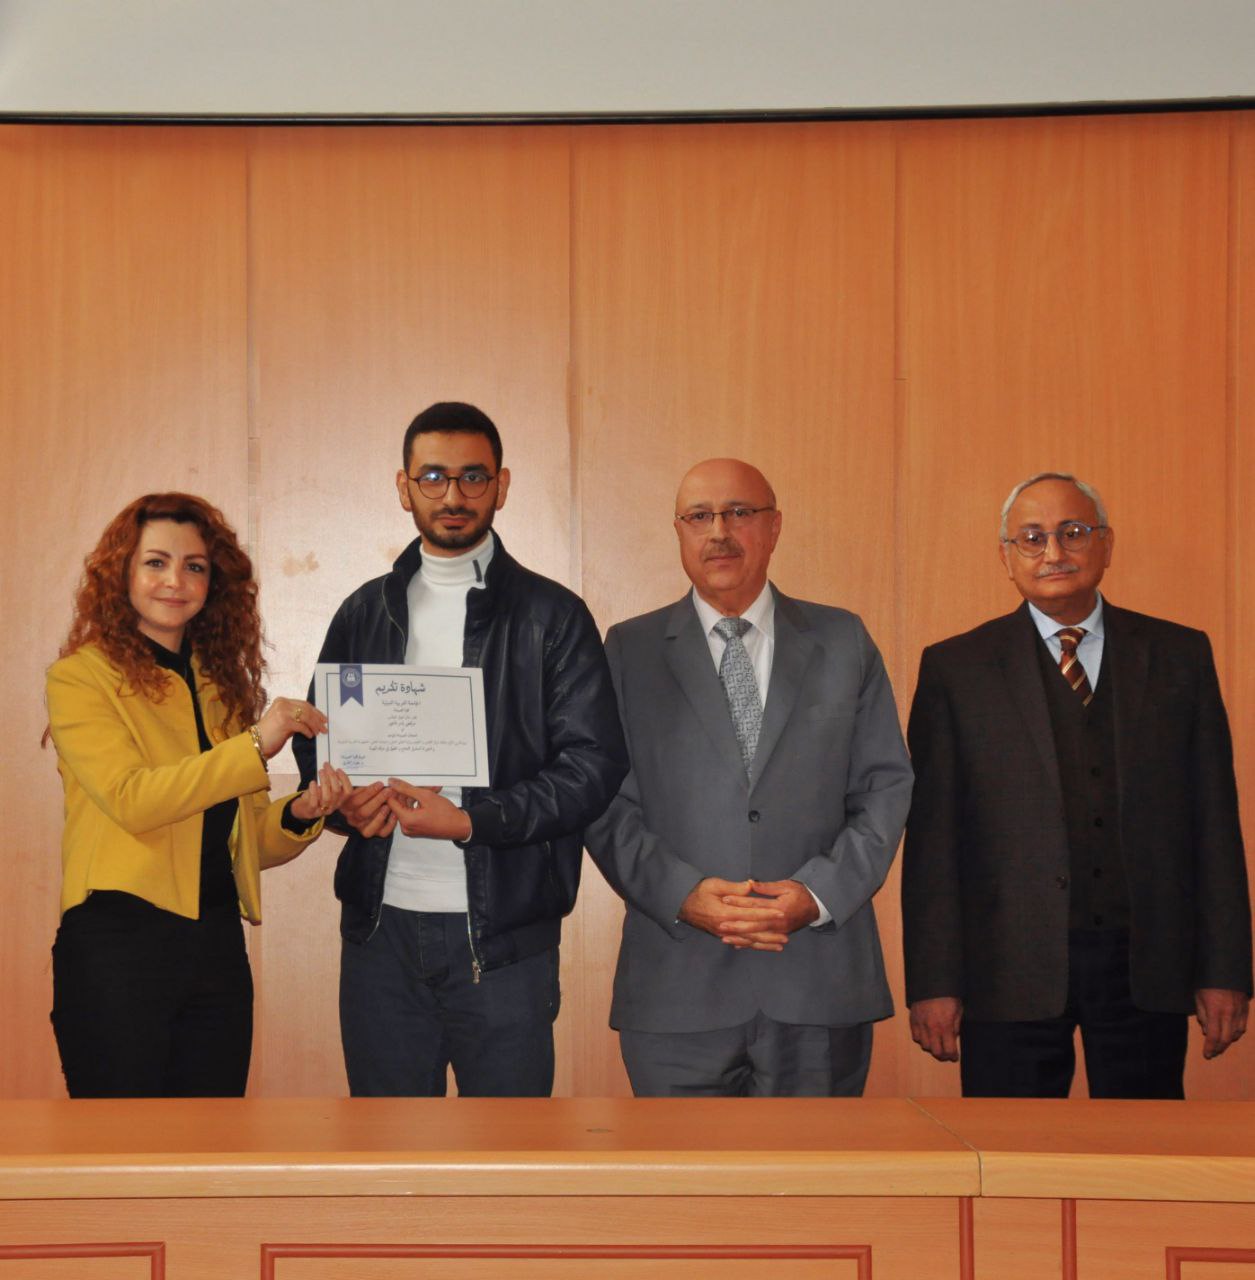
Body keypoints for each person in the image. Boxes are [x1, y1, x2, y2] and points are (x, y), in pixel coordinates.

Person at [295, 401, 626, 1098]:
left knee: (509, 1152)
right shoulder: (363, 611)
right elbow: (317, 746)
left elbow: (591, 768)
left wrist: (473, 820)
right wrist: (342, 805)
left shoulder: (553, 617)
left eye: (473, 477)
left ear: (501, 486)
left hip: (504, 938)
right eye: (433, 476)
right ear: (404, 487)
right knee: (386, 1148)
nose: (453, 495)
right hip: (379, 934)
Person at [902, 471, 1251, 1098]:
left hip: (1148, 964)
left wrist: (1225, 968)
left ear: (1106, 544)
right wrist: (934, 982)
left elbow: (1215, 823)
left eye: (1073, 532)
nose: (1054, 552)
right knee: (1009, 1151)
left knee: (1143, 1147)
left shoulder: (1179, 656)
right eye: (1032, 537)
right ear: (1006, 556)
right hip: (1006, 970)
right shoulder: (956, 668)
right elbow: (932, 842)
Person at [583, 458, 912, 1097]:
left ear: (774, 526)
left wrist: (815, 895)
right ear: (679, 532)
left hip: (817, 982)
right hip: (677, 987)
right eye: (699, 516)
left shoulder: (843, 640)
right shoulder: (628, 650)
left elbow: (884, 789)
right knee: (683, 1167)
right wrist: (683, 894)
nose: (719, 532)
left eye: (739, 513)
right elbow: (602, 802)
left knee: (813, 1165)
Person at [45, 492, 350, 1099]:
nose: (175, 581)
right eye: (155, 562)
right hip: (116, 941)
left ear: (214, 583)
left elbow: (244, 841)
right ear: (122, 572)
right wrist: (255, 744)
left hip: (215, 944)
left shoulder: (220, 687)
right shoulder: (80, 677)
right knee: (117, 1144)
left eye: (195, 566)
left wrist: (300, 813)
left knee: (211, 1143)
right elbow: (133, 800)